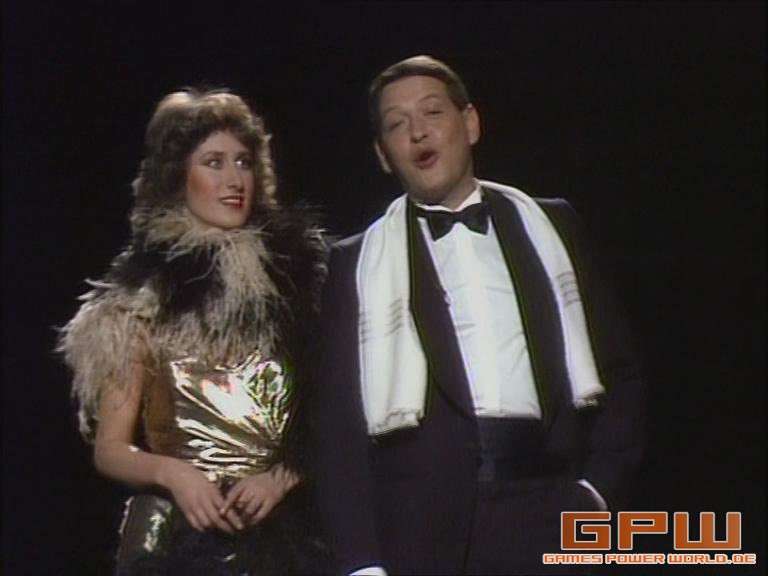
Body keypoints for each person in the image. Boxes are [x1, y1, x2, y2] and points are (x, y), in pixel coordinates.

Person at [309, 55, 645, 575]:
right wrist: (362, 564)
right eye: (397, 124)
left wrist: (596, 491)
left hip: (551, 510)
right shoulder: (355, 262)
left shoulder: (553, 226)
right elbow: (338, 428)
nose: (418, 132)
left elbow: (619, 370)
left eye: (432, 113)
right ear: (383, 154)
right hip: (421, 533)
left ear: (470, 123)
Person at [58, 89, 332, 575]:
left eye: (243, 162)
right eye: (213, 162)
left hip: (288, 537)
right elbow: (110, 449)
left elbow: (335, 416)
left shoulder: (299, 285)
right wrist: (175, 475)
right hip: (179, 536)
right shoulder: (140, 298)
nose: (234, 180)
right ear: (177, 177)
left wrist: (281, 477)